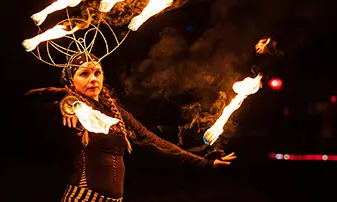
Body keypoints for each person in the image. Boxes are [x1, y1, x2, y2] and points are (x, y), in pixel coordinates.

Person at [28, 52, 236, 202]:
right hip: (84, 197)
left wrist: (205, 163)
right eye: (84, 74)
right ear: (70, 82)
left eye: (97, 73)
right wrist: (62, 96)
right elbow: (27, 99)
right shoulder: (68, 110)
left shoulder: (115, 112)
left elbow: (154, 141)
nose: (93, 79)